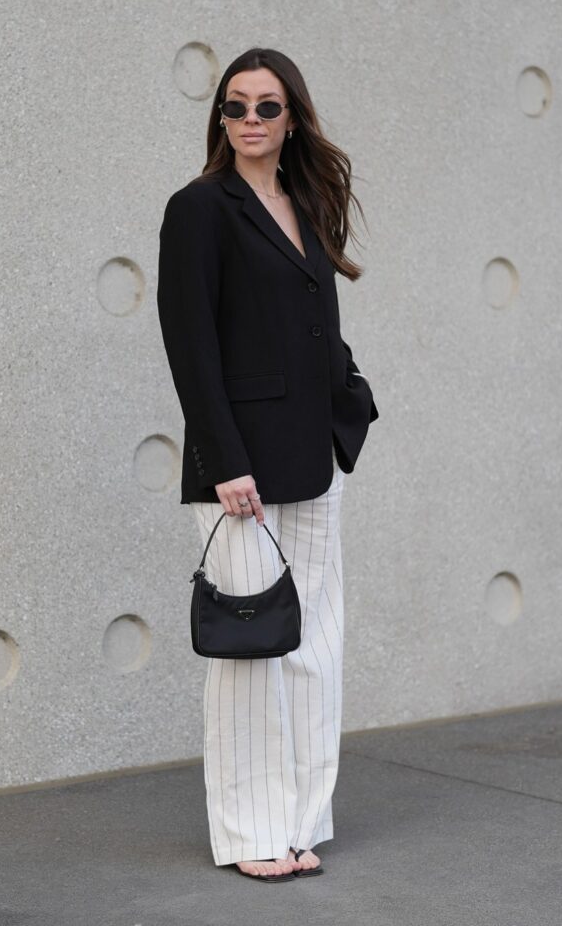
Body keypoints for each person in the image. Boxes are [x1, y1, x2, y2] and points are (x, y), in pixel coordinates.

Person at [156, 47, 379, 881]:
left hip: (313, 456)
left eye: (267, 107)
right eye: (236, 107)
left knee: (314, 647)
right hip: (238, 469)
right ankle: (252, 833)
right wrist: (223, 459)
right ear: (220, 120)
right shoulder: (199, 209)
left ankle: (299, 822)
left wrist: (350, 394)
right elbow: (191, 343)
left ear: (292, 118)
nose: (250, 121)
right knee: (251, 655)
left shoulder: (304, 200)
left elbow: (317, 317)